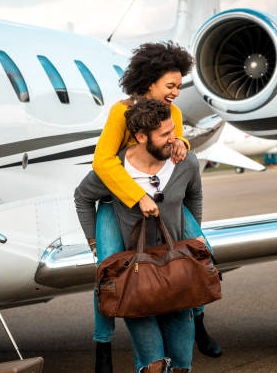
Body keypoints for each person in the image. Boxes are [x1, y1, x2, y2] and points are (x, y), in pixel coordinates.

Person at [89, 42, 222, 372]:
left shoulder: (172, 112)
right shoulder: (121, 112)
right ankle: (102, 344)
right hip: (119, 199)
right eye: (171, 85)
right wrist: (137, 196)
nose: (177, 92)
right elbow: (102, 161)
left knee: (196, 255)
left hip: (162, 199)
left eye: (179, 85)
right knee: (108, 268)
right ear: (150, 81)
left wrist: (182, 143)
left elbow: (176, 142)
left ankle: (199, 321)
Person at [75, 99, 203, 372]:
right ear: (141, 137)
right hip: (137, 281)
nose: (175, 139)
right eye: (166, 135)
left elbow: (194, 196)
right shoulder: (115, 171)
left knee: (181, 364)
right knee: (153, 365)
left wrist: (194, 238)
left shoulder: (185, 162)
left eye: (173, 131)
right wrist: (93, 241)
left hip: (177, 274)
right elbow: (82, 197)